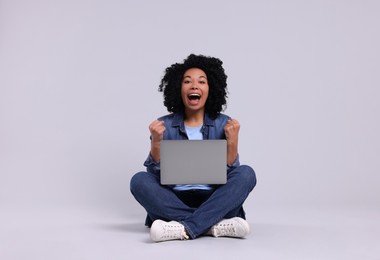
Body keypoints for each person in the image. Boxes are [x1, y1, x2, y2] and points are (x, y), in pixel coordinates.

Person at [130, 54, 257, 242]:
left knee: (246, 173)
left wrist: (232, 143)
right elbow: (156, 176)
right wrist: (156, 142)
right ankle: (213, 226)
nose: (194, 86)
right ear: (178, 89)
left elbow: (230, 173)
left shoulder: (224, 124)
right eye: (187, 81)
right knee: (139, 180)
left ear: (210, 88)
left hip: (214, 198)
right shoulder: (163, 125)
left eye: (202, 82)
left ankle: (182, 227)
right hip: (174, 198)